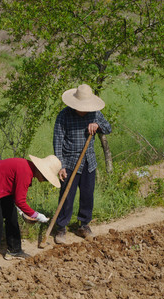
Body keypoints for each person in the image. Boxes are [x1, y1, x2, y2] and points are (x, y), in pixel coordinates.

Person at [0, 154, 61, 271]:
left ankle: (14, 250)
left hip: (0, 186)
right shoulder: (26, 172)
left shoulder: (28, 168)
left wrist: (21, 209)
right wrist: (37, 215)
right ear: (41, 172)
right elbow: (20, 201)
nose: (45, 181)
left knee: (11, 217)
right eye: (46, 178)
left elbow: (13, 189)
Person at [53, 84, 112, 244]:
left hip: (88, 161)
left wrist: (98, 126)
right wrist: (61, 166)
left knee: (87, 195)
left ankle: (83, 225)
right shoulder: (64, 116)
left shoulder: (95, 114)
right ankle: (61, 228)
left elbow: (108, 128)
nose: (84, 110)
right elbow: (58, 141)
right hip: (70, 162)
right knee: (67, 196)